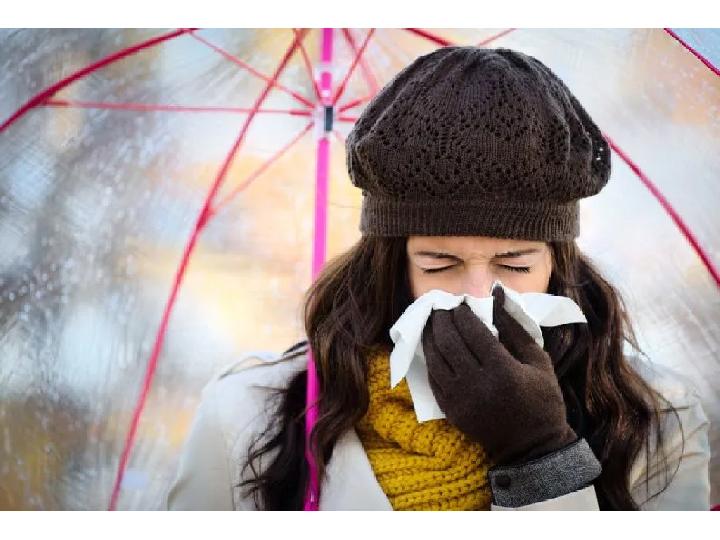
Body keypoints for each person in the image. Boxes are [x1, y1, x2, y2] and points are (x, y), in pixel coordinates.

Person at [164, 46, 711, 510]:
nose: (477, 296)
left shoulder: (654, 419)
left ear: (558, 266)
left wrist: (542, 455)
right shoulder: (250, 413)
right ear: (390, 266)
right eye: (439, 265)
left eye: (515, 266)